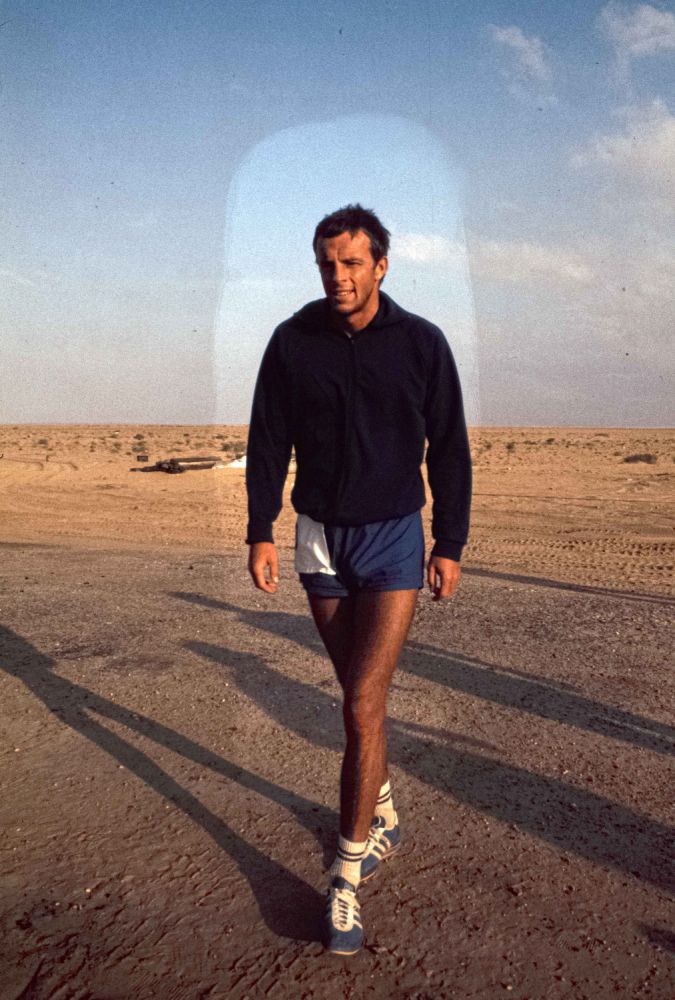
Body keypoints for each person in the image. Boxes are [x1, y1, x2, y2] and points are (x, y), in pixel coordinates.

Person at [245, 204, 471, 955]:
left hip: (393, 539)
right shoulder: (292, 341)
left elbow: (450, 447)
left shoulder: (421, 343)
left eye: (350, 263)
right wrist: (259, 529)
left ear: (381, 265)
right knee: (356, 701)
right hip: (318, 538)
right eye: (326, 264)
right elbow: (268, 440)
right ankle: (383, 808)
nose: (337, 277)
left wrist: (449, 541)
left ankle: (345, 876)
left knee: (362, 703)